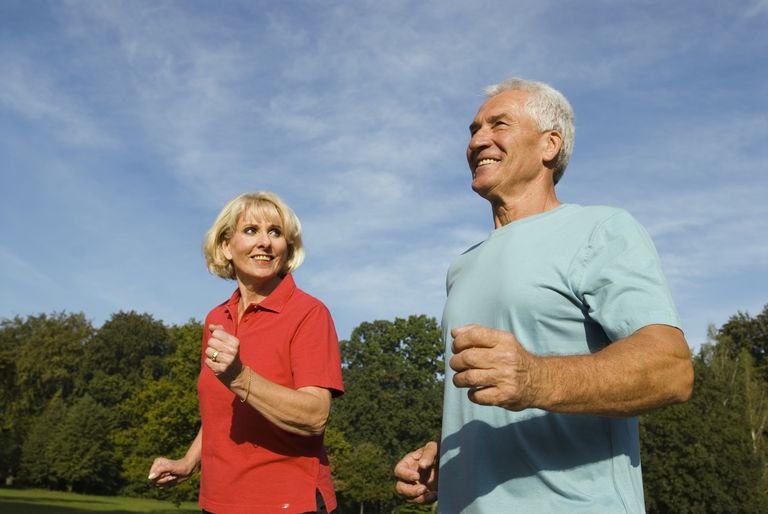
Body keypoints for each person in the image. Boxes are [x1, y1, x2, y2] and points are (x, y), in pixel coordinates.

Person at [394, 78, 694, 512]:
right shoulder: (461, 266)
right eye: (473, 130)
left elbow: (671, 369)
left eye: (499, 125)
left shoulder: (601, 230)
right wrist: (456, 458)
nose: (478, 140)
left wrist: (536, 379)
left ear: (550, 145)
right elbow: (493, 400)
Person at [149, 192, 344, 514]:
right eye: (251, 230)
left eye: (276, 232)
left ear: (288, 247)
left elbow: (315, 416)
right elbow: (220, 408)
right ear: (226, 245)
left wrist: (239, 376)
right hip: (216, 501)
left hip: (287, 503)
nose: (265, 242)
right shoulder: (216, 318)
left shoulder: (309, 313)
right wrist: (189, 461)